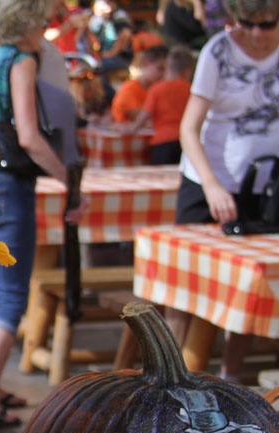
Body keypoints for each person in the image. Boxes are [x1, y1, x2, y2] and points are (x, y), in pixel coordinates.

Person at [0, 0, 87, 430]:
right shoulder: (21, 62)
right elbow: (28, 137)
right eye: (42, 23)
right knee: (11, 294)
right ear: (28, 25)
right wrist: (68, 180)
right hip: (8, 187)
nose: (44, 30)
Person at [174, 0, 279, 382]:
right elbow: (189, 128)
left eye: (266, 25)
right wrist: (214, 185)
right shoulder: (218, 49)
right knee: (185, 281)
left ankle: (230, 377)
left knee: (249, 284)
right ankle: (173, 375)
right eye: (247, 24)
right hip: (207, 180)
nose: (256, 34)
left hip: (262, 182)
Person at [123, 45, 195, 164]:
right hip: (185, 141)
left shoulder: (156, 89)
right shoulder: (190, 90)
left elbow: (144, 116)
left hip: (163, 142)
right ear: (188, 71)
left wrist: (132, 129)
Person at [111, 44, 169, 122]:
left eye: (167, 71)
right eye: (160, 69)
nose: (163, 75)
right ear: (146, 63)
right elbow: (141, 120)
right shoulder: (129, 89)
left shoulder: (157, 90)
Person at [90, 0, 135, 72]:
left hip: (120, 57)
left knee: (99, 67)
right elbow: (92, 38)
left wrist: (109, 54)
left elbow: (125, 36)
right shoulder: (98, 19)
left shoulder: (119, 16)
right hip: (103, 57)